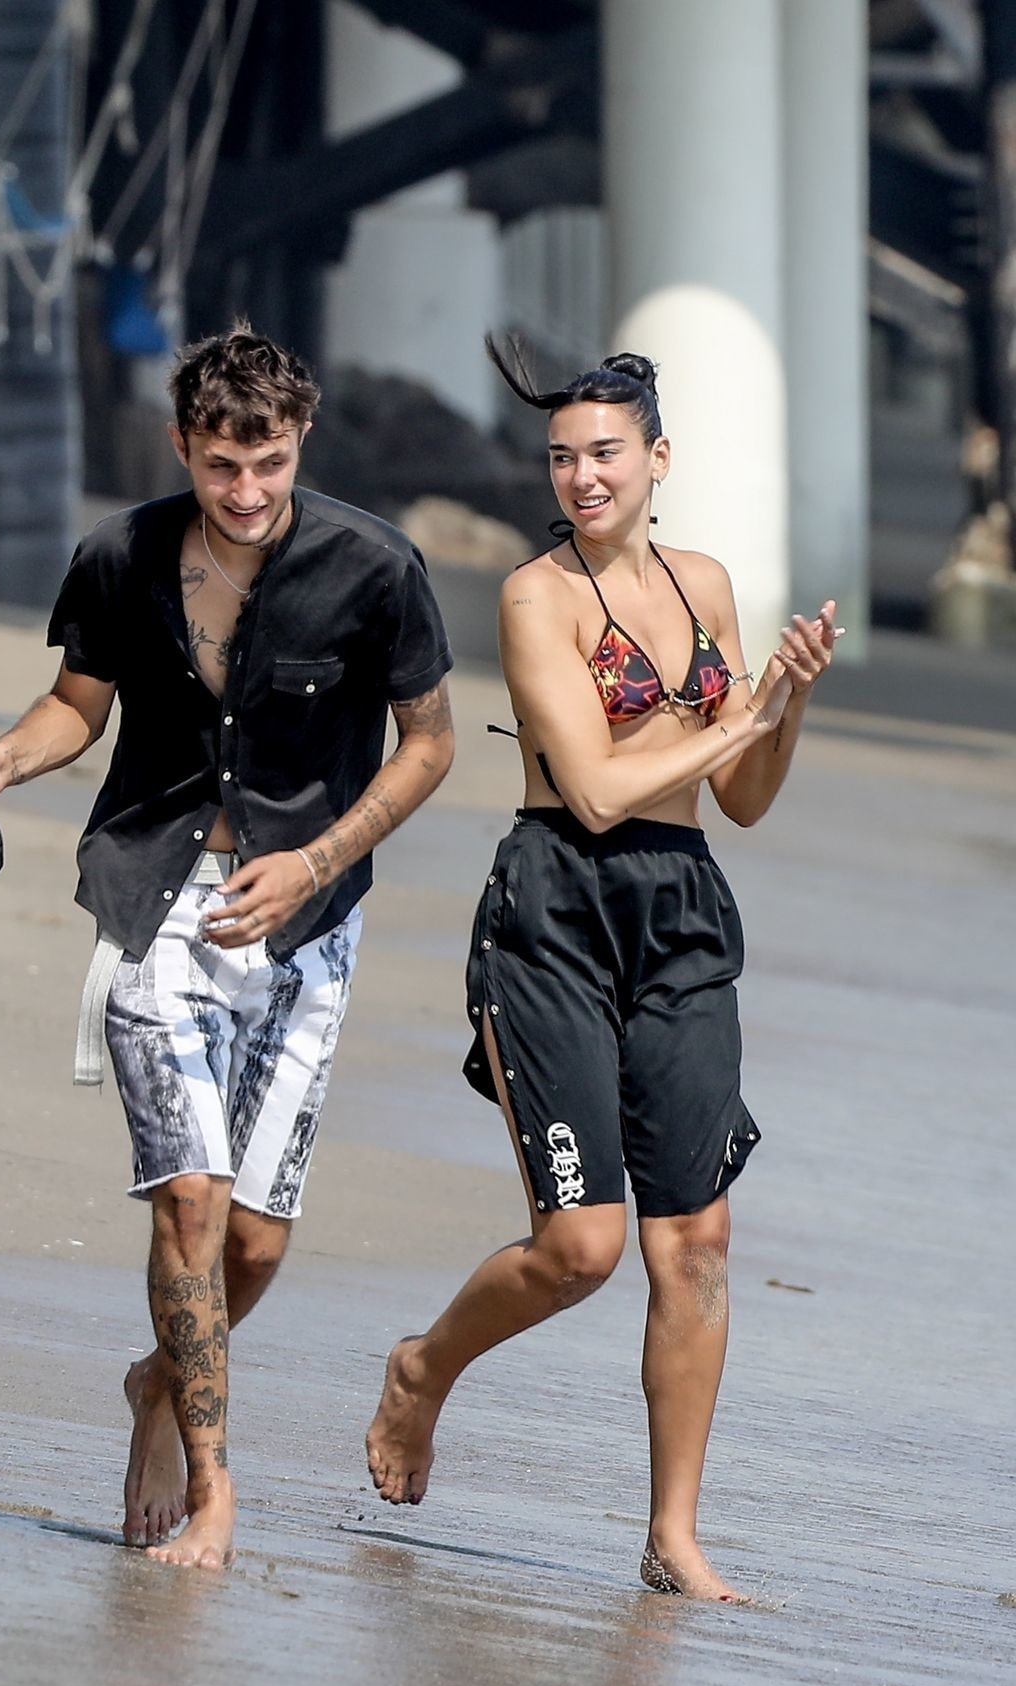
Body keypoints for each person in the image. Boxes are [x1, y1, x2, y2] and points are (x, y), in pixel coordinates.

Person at [0, 321, 454, 1571]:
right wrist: (1, 759)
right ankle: (213, 1486)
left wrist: (315, 860)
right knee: (190, 1204)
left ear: (298, 440)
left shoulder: (376, 567)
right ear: (181, 446)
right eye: (220, 466)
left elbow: (427, 743)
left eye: (267, 463)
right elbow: (74, 708)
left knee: (252, 1242)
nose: (245, 491)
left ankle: (157, 1380)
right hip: (154, 901)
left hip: (306, 920)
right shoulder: (120, 556)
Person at [366, 340, 836, 1601]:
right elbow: (590, 788)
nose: (580, 477)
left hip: (679, 914)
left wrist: (783, 703)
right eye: (561, 457)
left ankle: (670, 1535)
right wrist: (741, 716)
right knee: (579, 1247)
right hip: (555, 916)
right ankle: (422, 1368)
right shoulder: (536, 598)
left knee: (697, 1241)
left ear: (655, 459)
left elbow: (741, 798)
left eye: (604, 455)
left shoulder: (704, 584)